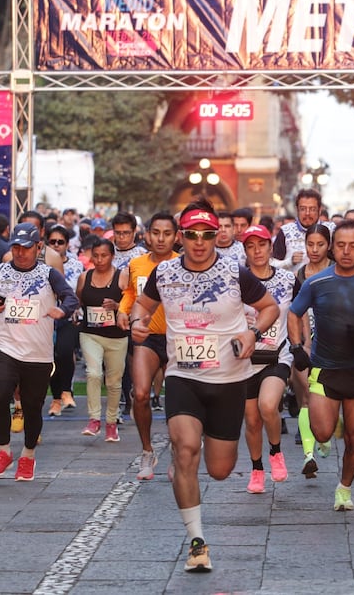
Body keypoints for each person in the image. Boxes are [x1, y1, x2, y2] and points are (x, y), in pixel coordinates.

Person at [129, 200, 278, 573]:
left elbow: (270, 307)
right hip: (184, 377)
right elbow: (141, 307)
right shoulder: (164, 273)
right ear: (181, 237)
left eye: (207, 235)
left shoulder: (234, 272)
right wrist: (136, 322)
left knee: (220, 470)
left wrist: (252, 332)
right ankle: (197, 543)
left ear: (216, 237)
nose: (199, 242)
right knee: (186, 450)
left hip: (228, 380)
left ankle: (189, 460)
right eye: (192, 235)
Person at [288, 220, 354, 512]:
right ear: (332, 248)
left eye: (353, 246)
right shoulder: (316, 282)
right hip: (325, 369)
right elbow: (293, 313)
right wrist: (297, 347)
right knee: (322, 433)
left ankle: (344, 488)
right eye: (341, 245)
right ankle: (327, 425)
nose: (347, 251)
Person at [0, 223, 80, 483]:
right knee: (1, 393)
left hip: (38, 353)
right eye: (16, 247)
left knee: (32, 406)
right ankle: (4, 451)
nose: (20, 252)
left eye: (26, 248)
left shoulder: (49, 274)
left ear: (38, 247)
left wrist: (62, 310)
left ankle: (28, 455)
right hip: (5, 347)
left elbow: (71, 298)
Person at [117, 212, 179, 479]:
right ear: (147, 235)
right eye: (156, 233)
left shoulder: (183, 264)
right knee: (140, 394)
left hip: (178, 338)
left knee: (177, 399)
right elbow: (131, 293)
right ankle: (147, 451)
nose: (161, 238)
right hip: (147, 336)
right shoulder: (136, 264)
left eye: (167, 233)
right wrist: (123, 311)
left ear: (176, 237)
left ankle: (178, 452)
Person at [240, 225, 296, 493]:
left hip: (277, 354)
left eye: (261, 245)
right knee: (251, 420)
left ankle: (275, 451)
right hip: (245, 358)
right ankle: (257, 469)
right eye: (250, 246)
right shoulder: (236, 280)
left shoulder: (287, 279)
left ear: (270, 247)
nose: (257, 251)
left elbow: (298, 311)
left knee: (268, 404)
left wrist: (302, 344)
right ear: (245, 251)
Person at [292, 222, 335, 477]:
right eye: (310, 244)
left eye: (320, 244)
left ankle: (324, 435)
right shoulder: (299, 275)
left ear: (329, 246)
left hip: (335, 345)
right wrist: (301, 343)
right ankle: (308, 456)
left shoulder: (338, 270)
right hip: (306, 343)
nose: (314, 249)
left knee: (329, 398)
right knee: (307, 396)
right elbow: (295, 312)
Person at [76, 238, 129, 441]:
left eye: (104, 256)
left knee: (114, 382)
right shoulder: (84, 277)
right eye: (96, 256)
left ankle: (111, 422)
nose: (99, 260)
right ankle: (94, 419)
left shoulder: (122, 277)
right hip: (90, 334)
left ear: (112, 256)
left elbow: (132, 303)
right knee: (94, 373)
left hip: (116, 337)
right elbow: (78, 299)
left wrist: (117, 306)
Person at [46, 224, 84, 416]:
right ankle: (56, 399)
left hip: (70, 316)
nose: (56, 245)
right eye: (52, 242)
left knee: (65, 352)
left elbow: (79, 291)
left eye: (60, 242)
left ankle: (67, 390)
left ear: (67, 244)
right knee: (51, 357)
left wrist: (77, 308)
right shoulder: (42, 264)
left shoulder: (76, 265)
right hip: (47, 316)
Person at [272, 189, 332, 271]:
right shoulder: (286, 231)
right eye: (303, 209)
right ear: (297, 209)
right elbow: (272, 264)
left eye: (312, 209)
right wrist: (289, 262)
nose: (307, 213)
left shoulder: (331, 230)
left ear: (320, 210)